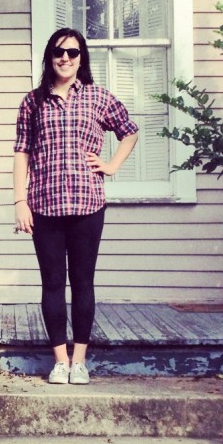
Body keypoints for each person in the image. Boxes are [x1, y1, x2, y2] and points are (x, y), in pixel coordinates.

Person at [13, 28, 139, 385]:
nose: (65, 58)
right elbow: (21, 153)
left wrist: (111, 165)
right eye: (58, 52)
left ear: (82, 57)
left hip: (87, 204)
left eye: (72, 52)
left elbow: (129, 130)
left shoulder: (99, 98)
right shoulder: (33, 102)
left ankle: (80, 361)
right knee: (52, 284)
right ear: (49, 57)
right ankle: (59, 361)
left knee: (83, 283)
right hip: (44, 205)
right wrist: (20, 201)